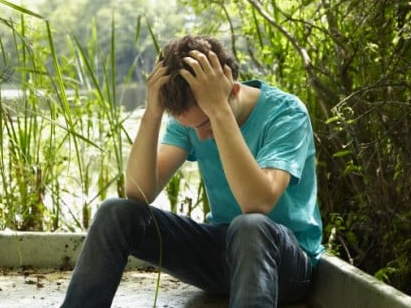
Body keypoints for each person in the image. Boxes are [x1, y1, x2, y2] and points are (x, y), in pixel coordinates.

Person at [61, 34, 324, 307]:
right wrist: (152, 112)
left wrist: (218, 113)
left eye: (206, 123)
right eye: (192, 127)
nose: (201, 136)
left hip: (285, 266)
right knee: (115, 211)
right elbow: (139, 191)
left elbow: (257, 202)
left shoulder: (286, 113)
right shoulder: (192, 121)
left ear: (232, 89)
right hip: (223, 258)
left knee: (250, 226)